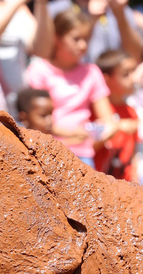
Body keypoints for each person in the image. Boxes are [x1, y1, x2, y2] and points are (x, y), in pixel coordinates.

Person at [26, 9, 118, 168]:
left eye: (86, 39)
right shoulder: (39, 70)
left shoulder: (92, 72)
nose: (82, 45)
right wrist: (71, 134)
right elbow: (35, 118)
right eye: (76, 39)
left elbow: (107, 120)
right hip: (48, 151)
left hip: (84, 156)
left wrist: (98, 135)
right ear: (57, 38)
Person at [47, 0, 142, 65]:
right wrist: (92, 20)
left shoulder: (118, 7)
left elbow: (136, 56)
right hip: (78, 87)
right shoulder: (55, 9)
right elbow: (49, 56)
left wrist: (119, 14)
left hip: (118, 88)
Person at [93, 49, 139, 180]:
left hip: (126, 184)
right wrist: (117, 126)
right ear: (106, 79)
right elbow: (90, 145)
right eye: (126, 74)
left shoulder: (131, 111)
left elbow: (133, 155)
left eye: (133, 72)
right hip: (100, 181)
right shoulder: (96, 111)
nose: (133, 78)